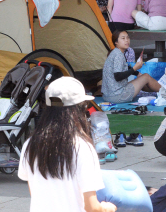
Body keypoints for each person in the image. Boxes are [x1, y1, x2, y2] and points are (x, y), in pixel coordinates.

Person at [18, 77, 117, 212]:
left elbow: (34, 192)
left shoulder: (30, 144)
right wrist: (107, 208)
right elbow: (92, 207)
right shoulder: (82, 147)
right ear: (78, 110)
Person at [101, 30, 161, 104]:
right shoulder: (118, 55)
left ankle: (162, 92)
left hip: (107, 96)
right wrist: (135, 68)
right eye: (123, 38)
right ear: (116, 42)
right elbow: (118, 76)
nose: (126, 40)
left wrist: (137, 73)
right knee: (146, 77)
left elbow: (125, 67)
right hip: (118, 96)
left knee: (142, 79)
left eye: (128, 38)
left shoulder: (115, 52)